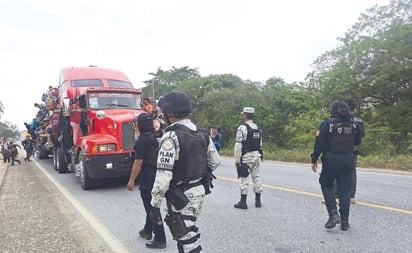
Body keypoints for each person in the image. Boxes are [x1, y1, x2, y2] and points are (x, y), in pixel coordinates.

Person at [149, 91, 220, 253]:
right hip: (198, 191)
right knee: (187, 233)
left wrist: (155, 203)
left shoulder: (170, 137)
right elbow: (215, 161)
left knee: (186, 238)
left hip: (181, 196)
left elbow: (163, 175)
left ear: (170, 113)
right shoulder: (202, 133)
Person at [311, 100, 363, 231]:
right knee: (344, 189)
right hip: (348, 158)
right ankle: (345, 222)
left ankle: (333, 214)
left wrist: (314, 159)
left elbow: (319, 144)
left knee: (326, 185)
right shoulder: (355, 125)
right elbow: (357, 141)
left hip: (331, 158)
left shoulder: (327, 124)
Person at [127, 113, 167, 249]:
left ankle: (160, 238)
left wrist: (131, 180)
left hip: (149, 175)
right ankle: (147, 230)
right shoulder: (158, 135)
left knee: (151, 206)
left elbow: (138, 162)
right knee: (150, 203)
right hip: (160, 174)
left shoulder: (143, 140)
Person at [234, 107, 264, 209]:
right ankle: (258, 200)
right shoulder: (258, 128)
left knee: (244, 178)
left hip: (246, 156)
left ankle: (243, 202)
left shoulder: (242, 128)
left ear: (245, 115)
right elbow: (260, 144)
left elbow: (238, 145)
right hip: (257, 155)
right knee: (256, 177)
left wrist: (237, 160)